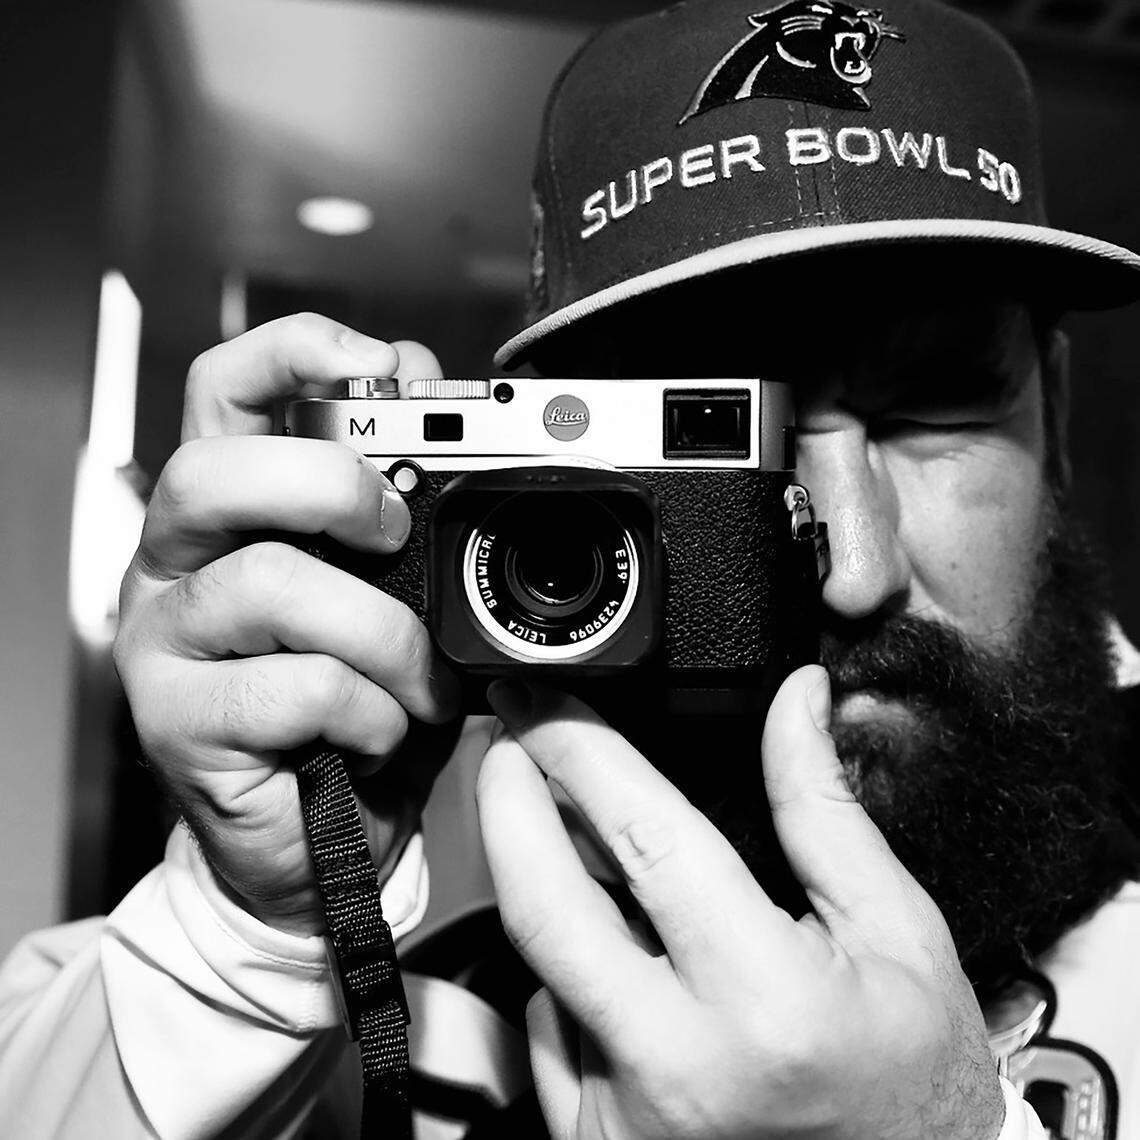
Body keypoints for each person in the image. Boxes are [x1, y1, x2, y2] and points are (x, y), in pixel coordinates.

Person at [3, 0, 1140, 1136]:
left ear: (1061, 415)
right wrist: (253, 928)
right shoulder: (412, 1039)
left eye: (934, 407)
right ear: (541, 473)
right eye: (716, 441)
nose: (850, 569)